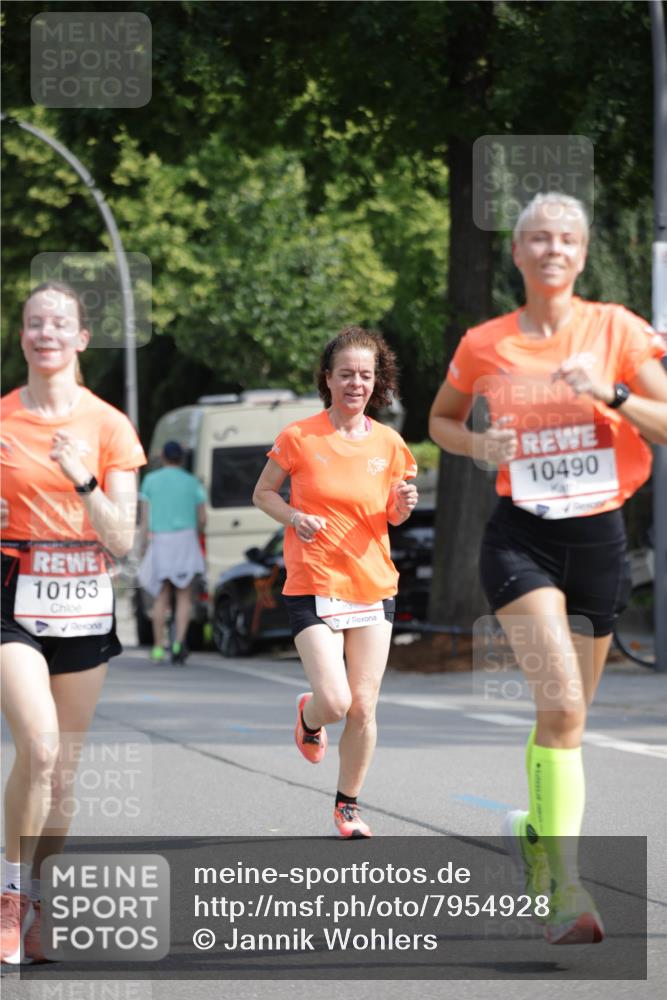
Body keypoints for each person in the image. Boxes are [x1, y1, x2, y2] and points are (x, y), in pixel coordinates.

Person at [429, 192, 667, 944]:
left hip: (598, 539)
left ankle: (533, 832)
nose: (551, 249)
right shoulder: (485, 342)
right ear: (516, 252)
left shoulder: (617, 330)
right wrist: (475, 447)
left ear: (583, 251)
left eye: (565, 237)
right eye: (537, 237)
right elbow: (440, 419)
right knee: (561, 706)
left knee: (568, 722)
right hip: (519, 541)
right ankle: (565, 887)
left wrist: (613, 393)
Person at [0, 281, 146, 964]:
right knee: (41, 745)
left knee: (62, 777)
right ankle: (8, 896)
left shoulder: (110, 426)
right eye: (34, 323)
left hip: (85, 602)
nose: (45, 333)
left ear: (82, 339)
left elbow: (123, 541)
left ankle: (35, 897)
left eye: (59, 324)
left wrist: (85, 480)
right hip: (13, 599)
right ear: (22, 337)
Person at [253, 327, 418, 838]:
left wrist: (402, 506)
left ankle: (347, 806)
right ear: (328, 379)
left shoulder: (389, 443)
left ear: (377, 382)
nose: (355, 383)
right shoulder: (300, 436)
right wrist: (294, 517)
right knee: (338, 700)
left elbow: (392, 515)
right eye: (345, 374)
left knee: (365, 705)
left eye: (365, 375)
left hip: (372, 585)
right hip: (313, 582)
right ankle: (310, 715)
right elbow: (263, 494)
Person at [137, 440, 206, 664]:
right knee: (184, 595)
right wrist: (197, 531)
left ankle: (158, 647)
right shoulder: (192, 481)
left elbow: (145, 518)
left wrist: (143, 546)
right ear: (182, 458)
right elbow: (203, 518)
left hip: (161, 540)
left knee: (161, 595)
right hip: (186, 539)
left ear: (163, 457)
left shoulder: (150, 480)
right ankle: (179, 642)